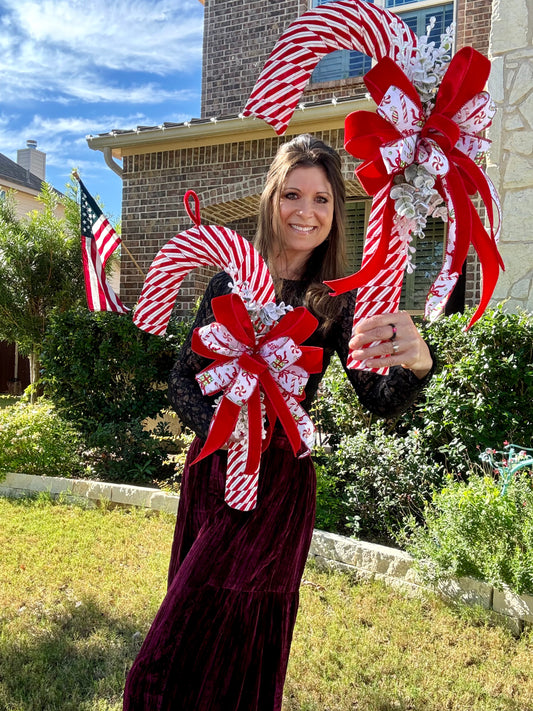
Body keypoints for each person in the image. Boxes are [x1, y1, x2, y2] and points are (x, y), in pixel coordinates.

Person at [123, 134, 435, 711]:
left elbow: (378, 398)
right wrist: (228, 432)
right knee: (186, 631)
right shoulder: (229, 280)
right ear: (272, 198)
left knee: (233, 642)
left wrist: (419, 364)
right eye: (294, 194)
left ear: (336, 211)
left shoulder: (336, 301)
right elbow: (181, 378)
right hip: (211, 477)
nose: (306, 212)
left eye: (322, 199)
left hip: (278, 492)